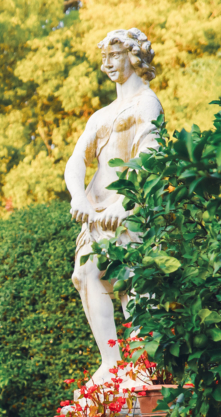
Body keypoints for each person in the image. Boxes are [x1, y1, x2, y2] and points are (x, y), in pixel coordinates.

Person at [65, 28, 163, 388]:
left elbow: (150, 158)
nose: (107, 63)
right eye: (104, 57)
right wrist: (78, 196)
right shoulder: (101, 115)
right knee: (87, 276)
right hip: (95, 212)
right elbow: (76, 160)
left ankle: (140, 363)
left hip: (130, 210)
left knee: (133, 285)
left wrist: (125, 203)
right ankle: (111, 363)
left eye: (115, 55)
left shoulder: (147, 104)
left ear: (134, 57)